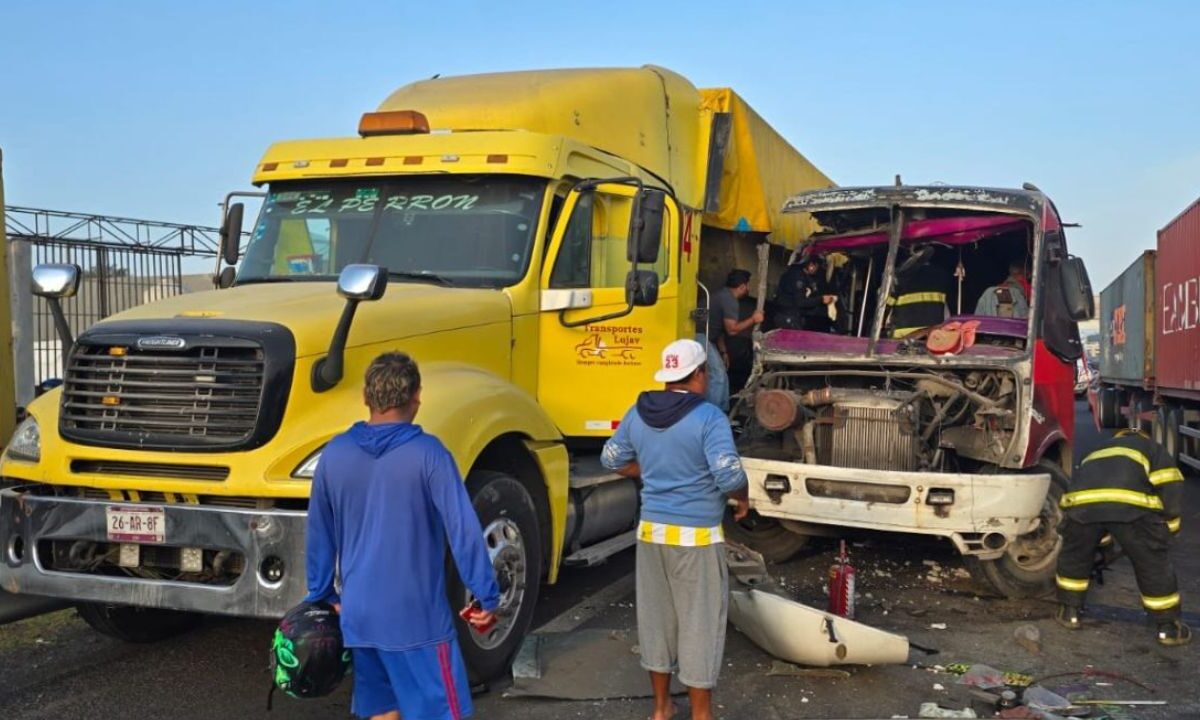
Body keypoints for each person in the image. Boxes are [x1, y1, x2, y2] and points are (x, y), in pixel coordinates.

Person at [305, 352, 501, 720]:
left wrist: (321, 595)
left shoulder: (335, 454)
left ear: (366, 396)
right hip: (417, 619)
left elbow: (319, 532)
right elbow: (464, 531)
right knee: (441, 712)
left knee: (382, 711)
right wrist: (487, 597)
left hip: (360, 616)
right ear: (416, 398)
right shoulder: (430, 455)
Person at [601, 338, 750, 720]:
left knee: (657, 623)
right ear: (699, 373)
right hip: (696, 540)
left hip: (651, 535)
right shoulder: (709, 418)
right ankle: (701, 715)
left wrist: (646, 471)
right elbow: (728, 475)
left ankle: (661, 708)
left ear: (668, 376)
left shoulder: (638, 412)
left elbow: (611, 457)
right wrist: (743, 498)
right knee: (698, 625)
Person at [1054, 428, 1190, 646]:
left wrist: (1103, 545)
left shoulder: (1096, 451)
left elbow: (1087, 490)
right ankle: (1168, 628)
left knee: (1074, 558)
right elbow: (1170, 485)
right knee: (1152, 565)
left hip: (1080, 508)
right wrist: (1168, 529)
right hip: (1132, 511)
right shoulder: (1151, 448)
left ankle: (1069, 612)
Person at [698, 268, 764, 411]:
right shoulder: (729, 300)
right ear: (742, 286)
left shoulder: (723, 295)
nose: (749, 288)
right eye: (748, 285)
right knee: (718, 376)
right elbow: (732, 329)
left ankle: (723, 413)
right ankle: (712, 416)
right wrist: (753, 319)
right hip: (699, 336)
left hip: (707, 337)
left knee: (722, 374)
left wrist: (723, 352)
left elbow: (720, 330)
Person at [886, 245, 951, 338]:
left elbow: (885, 303)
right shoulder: (942, 275)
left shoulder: (900, 275)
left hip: (903, 337)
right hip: (932, 335)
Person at [773, 253, 837, 332]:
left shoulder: (794, 274)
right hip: (789, 317)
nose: (817, 270)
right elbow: (800, 302)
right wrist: (821, 299)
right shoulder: (798, 276)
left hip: (786, 315)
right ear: (811, 265)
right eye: (817, 266)